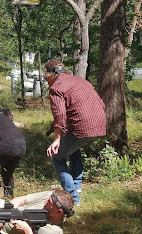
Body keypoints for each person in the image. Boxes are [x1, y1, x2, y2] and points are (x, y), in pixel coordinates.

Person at [45, 59, 106, 206]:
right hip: (100, 125)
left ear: (50, 74)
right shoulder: (82, 81)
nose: (46, 80)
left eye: (46, 76)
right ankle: (77, 186)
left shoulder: (56, 88)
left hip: (82, 127)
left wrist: (56, 139)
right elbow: (101, 104)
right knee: (73, 148)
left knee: (57, 157)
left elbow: (59, 115)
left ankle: (73, 198)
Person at [0, 101, 26, 197]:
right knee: (7, 172)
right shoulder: (3, 119)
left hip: (6, 145)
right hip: (21, 144)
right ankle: (9, 197)